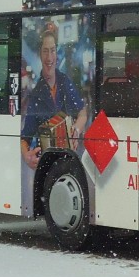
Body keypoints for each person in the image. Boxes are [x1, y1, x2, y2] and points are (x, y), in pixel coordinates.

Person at [20, 21, 88, 171]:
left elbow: (83, 114)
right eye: (45, 51)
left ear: (57, 53)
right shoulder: (36, 95)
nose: (49, 57)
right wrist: (27, 156)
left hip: (70, 162)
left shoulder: (66, 82)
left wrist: (75, 130)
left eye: (52, 50)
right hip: (48, 166)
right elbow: (25, 138)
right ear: (39, 53)